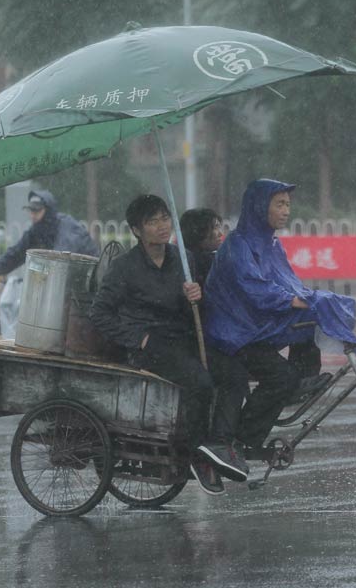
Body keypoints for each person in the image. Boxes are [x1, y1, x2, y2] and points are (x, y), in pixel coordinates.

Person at [89, 195, 250, 495]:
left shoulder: (182, 259)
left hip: (185, 340)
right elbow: (99, 313)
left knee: (235, 375)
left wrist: (196, 297)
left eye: (165, 218)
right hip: (151, 346)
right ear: (137, 230)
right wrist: (138, 337)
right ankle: (195, 454)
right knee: (200, 383)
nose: (162, 226)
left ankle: (217, 445)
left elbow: (200, 307)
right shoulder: (126, 268)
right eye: (153, 222)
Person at [202, 179, 356, 452]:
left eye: (288, 204)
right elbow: (255, 288)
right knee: (281, 378)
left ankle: (302, 381)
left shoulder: (272, 245)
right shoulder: (237, 245)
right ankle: (243, 440)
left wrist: (311, 300)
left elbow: (288, 281)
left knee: (311, 318)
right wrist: (292, 300)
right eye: (279, 204)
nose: (286, 210)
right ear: (259, 206)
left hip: (256, 327)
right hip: (233, 335)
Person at [0, 188, 99, 282]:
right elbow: (17, 253)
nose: (32, 215)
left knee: (70, 313)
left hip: (89, 279)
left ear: (48, 210)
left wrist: (44, 275)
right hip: (70, 281)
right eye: (31, 210)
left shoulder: (66, 227)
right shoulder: (37, 230)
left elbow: (62, 258)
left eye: (37, 210)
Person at [179, 208, 223, 287]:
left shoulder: (181, 258)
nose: (220, 233)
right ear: (199, 232)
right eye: (215, 227)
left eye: (219, 227)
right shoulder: (208, 263)